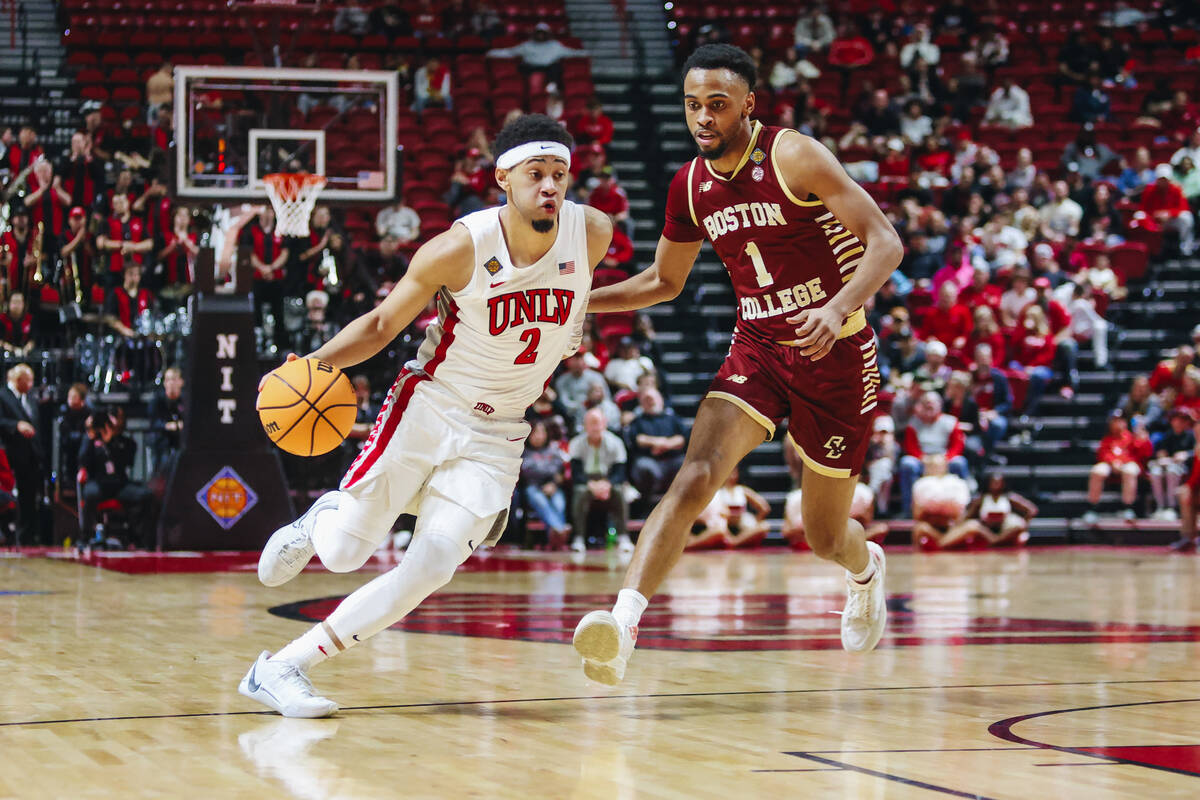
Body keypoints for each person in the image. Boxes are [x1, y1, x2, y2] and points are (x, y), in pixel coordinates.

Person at [239, 114, 613, 717]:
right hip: (430, 405)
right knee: (344, 556)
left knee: (431, 565)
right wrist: (307, 364)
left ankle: (282, 667)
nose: (550, 186)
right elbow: (384, 325)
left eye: (560, 175)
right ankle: (320, 521)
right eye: (536, 173)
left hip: (501, 432)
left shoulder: (591, 232)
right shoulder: (459, 248)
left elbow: (594, 295)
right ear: (503, 178)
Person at [572, 44, 901, 686]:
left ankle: (865, 571)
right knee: (695, 474)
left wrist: (835, 310)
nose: (703, 117)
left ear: (749, 104)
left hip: (836, 353)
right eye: (693, 104)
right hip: (758, 347)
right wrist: (577, 303)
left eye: (717, 105)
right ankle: (623, 623)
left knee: (824, 537)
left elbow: (885, 242)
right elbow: (663, 283)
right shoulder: (688, 185)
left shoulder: (793, 155)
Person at [77, 410, 156, 547]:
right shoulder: (90, 441)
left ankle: (143, 540)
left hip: (119, 484)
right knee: (90, 494)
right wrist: (91, 435)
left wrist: (110, 441)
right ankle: (85, 537)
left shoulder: (125, 442)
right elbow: (83, 460)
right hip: (98, 483)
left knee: (146, 495)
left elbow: (127, 463)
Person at [567, 407, 631, 554]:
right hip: (586, 481)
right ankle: (578, 538)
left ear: (605, 423)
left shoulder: (616, 442)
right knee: (580, 492)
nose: (595, 427)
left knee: (620, 491)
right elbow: (576, 473)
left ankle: (623, 537)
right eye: (591, 423)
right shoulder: (577, 443)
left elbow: (620, 472)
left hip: (608, 480)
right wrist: (592, 485)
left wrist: (607, 484)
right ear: (585, 425)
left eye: (598, 422)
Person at [0, 364, 44, 544]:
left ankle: (27, 539)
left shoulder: (30, 399)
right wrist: (15, 425)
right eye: (30, 380)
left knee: (29, 499)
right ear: (19, 380)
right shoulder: (2, 396)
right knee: (11, 499)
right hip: (10, 454)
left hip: (30, 457)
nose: (32, 384)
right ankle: (11, 536)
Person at [784, 479, 887, 550]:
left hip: (842, 539)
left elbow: (866, 520)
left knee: (881, 528)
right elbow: (786, 531)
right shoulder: (795, 498)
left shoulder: (855, 493)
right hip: (808, 543)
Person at [689, 465, 771, 550]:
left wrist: (756, 520)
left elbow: (764, 508)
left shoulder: (741, 490)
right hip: (723, 526)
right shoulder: (717, 492)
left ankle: (735, 542)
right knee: (718, 531)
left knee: (764, 526)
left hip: (741, 527)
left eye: (734, 473)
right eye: (729, 473)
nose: (731, 476)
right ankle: (690, 545)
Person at [1083, 412, 1143, 523]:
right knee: (1097, 471)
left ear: (1125, 422)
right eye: (1115, 420)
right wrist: (1112, 462)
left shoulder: (1131, 437)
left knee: (1130, 471)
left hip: (1126, 465)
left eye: (1120, 420)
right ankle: (1092, 508)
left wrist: (1122, 461)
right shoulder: (1107, 438)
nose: (1117, 423)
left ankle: (1128, 508)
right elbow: (1101, 454)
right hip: (1111, 465)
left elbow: (1141, 454)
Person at [519, 418, 569, 548]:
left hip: (552, 487)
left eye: (542, 433)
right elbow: (527, 473)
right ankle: (560, 529)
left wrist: (553, 484)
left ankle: (554, 539)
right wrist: (546, 471)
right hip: (532, 487)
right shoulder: (523, 451)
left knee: (559, 504)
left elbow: (559, 472)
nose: (539, 436)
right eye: (535, 433)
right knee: (539, 500)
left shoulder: (553, 451)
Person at [965, 473, 1038, 547]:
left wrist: (1025, 524)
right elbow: (968, 516)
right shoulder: (981, 499)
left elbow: (1032, 510)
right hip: (987, 529)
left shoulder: (1009, 497)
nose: (996, 485)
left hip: (1004, 529)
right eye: (993, 482)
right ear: (988, 483)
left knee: (1019, 527)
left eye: (998, 483)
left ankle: (997, 540)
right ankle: (995, 540)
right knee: (972, 525)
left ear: (1003, 484)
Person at [1148, 408, 1195, 519]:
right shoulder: (1168, 436)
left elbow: (1196, 452)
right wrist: (1161, 456)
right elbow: (1161, 453)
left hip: (1184, 468)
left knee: (1172, 471)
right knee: (1155, 472)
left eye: (1181, 420)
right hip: (1167, 465)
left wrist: (1187, 454)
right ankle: (1160, 506)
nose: (1178, 423)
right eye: (1176, 420)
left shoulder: (1191, 435)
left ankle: (1171, 507)